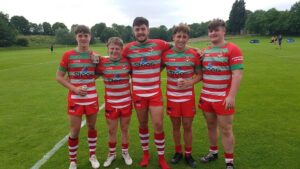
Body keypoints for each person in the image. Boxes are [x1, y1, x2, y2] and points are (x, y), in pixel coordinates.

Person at [122, 17, 172, 169]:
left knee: (158, 124)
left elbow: (177, 47)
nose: (140, 32)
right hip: (138, 94)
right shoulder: (128, 48)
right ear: (134, 31)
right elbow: (115, 59)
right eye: (137, 29)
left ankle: (161, 158)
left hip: (154, 93)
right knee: (143, 124)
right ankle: (146, 154)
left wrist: (195, 50)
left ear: (148, 30)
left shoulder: (159, 44)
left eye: (143, 29)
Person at [198, 19, 243, 169]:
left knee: (226, 129)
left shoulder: (233, 49)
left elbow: (237, 74)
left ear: (224, 31)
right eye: (210, 31)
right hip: (206, 96)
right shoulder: (206, 51)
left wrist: (231, 96)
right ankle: (213, 152)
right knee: (210, 126)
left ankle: (229, 162)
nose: (213, 33)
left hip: (223, 98)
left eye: (216, 30)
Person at [56, 25, 100, 169]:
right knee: (75, 130)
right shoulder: (68, 55)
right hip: (75, 100)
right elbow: (59, 77)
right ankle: (73, 161)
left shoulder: (95, 56)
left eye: (85, 35)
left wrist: (97, 63)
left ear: (90, 37)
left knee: (92, 127)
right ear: (76, 37)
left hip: (92, 99)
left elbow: (100, 72)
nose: (83, 38)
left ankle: (92, 155)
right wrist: (74, 88)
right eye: (80, 35)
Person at [161, 23, 202, 168]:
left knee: (187, 126)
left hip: (187, 98)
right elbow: (155, 68)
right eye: (178, 36)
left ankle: (188, 154)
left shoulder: (194, 54)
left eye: (184, 36)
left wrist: (189, 82)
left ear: (188, 38)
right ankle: (178, 151)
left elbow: (199, 75)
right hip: (172, 97)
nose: (181, 39)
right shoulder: (166, 54)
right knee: (175, 126)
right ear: (173, 37)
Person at [96, 37, 133, 167]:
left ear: (121, 50)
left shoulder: (127, 62)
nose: (114, 51)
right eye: (112, 48)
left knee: (124, 129)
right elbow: (92, 73)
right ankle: (111, 154)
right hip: (111, 103)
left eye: (117, 48)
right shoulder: (102, 63)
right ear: (108, 48)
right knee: (111, 130)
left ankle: (125, 152)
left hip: (126, 102)